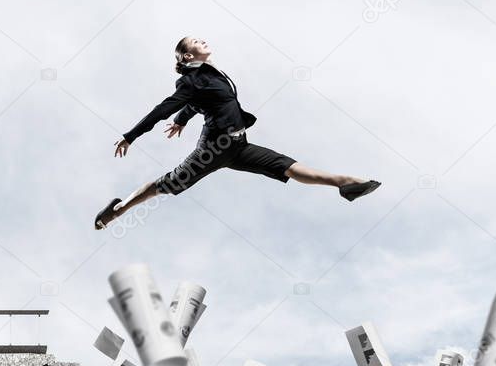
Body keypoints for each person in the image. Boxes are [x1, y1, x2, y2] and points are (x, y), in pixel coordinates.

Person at [94, 37, 380, 230]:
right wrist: (131, 135)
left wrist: (183, 119)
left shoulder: (207, 73)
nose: (202, 41)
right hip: (212, 149)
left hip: (238, 145)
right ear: (187, 55)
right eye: (196, 42)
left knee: (287, 166)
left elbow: (205, 101)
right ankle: (118, 209)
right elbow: (162, 109)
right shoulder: (190, 81)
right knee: (167, 185)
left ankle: (346, 183)